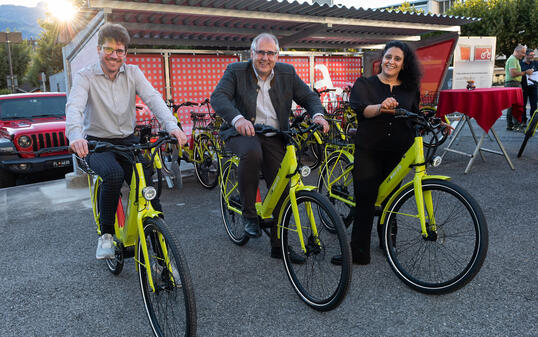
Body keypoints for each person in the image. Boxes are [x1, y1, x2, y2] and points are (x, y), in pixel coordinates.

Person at [66, 23, 187, 260]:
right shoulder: (85, 77)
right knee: (111, 175)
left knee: (147, 187)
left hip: (128, 141)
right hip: (97, 143)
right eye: (109, 49)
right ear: (99, 49)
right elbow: (75, 108)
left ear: (125, 53)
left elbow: (154, 99)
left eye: (119, 51)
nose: (114, 55)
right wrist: (75, 135)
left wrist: (173, 126)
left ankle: (162, 253)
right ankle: (107, 235)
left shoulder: (133, 73)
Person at [211, 33, 329, 263]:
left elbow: (308, 96)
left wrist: (317, 114)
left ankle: (279, 246)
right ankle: (249, 214)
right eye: (260, 52)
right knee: (251, 152)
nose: (265, 58)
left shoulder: (287, 72)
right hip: (242, 132)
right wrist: (237, 119)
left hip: (276, 135)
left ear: (277, 55)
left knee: (283, 189)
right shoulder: (235, 71)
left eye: (270, 53)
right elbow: (219, 98)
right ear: (252, 53)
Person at [332, 41, 421, 266]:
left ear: (404, 64)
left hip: (398, 151)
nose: (391, 61)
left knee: (392, 200)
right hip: (369, 150)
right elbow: (362, 110)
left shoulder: (410, 88)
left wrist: (438, 122)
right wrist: (381, 107)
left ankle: (387, 242)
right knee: (366, 200)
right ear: (381, 59)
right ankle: (358, 253)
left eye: (397, 59)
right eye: (388, 56)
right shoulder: (366, 83)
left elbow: (415, 114)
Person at [505, 45, 533, 131]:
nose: (524, 55)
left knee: (512, 105)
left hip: (512, 83)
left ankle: (510, 125)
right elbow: (513, 74)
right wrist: (525, 72)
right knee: (516, 105)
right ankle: (516, 126)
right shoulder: (513, 59)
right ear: (517, 51)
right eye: (523, 53)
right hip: (513, 84)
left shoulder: (514, 59)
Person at [520, 48, 537, 127]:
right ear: (526, 55)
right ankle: (523, 120)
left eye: (533, 55)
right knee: (523, 105)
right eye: (531, 55)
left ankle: (533, 120)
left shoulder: (535, 63)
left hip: (534, 87)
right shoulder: (520, 64)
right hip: (523, 87)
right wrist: (525, 72)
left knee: (533, 105)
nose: (532, 57)